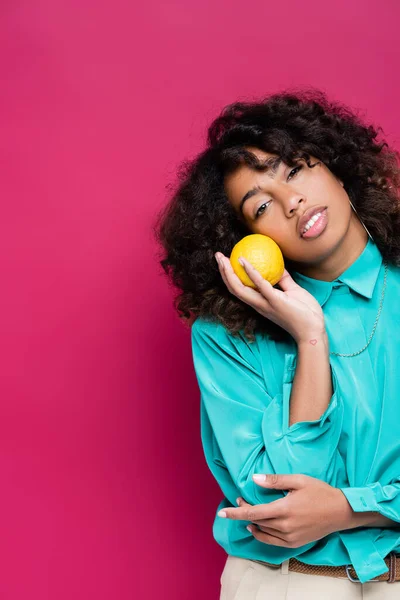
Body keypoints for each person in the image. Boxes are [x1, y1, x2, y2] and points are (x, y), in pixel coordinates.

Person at [153, 88, 400, 598]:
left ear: (335, 166)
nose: (292, 202)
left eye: (295, 169)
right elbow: (275, 500)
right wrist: (310, 337)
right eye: (261, 204)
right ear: (245, 236)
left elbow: (320, 510)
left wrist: (351, 510)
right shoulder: (226, 336)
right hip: (285, 585)